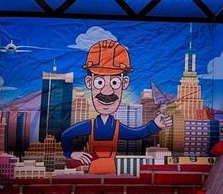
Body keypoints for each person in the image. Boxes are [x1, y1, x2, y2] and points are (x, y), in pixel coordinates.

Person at [60, 40, 172, 175]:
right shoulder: (91, 125)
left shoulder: (116, 127)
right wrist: (71, 153)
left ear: (124, 83)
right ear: (89, 83)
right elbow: (66, 135)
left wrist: (156, 124)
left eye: (114, 82)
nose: (107, 91)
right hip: (92, 173)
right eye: (99, 82)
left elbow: (138, 133)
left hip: (111, 172)